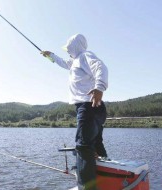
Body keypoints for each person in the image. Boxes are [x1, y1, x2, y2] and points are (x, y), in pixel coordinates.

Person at [41, 34, 108, 190]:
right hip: (95, 108)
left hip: (88, 107)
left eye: (68, 49)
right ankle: (107, 176)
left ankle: (87, 187)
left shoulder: (85, 56)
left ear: (74, 46)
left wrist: (99, 87)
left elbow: (101, 67)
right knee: (96, 144)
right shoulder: (75, 62)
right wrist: (50, 56)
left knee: (83, 147)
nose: (67, 52)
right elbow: (63, 63)